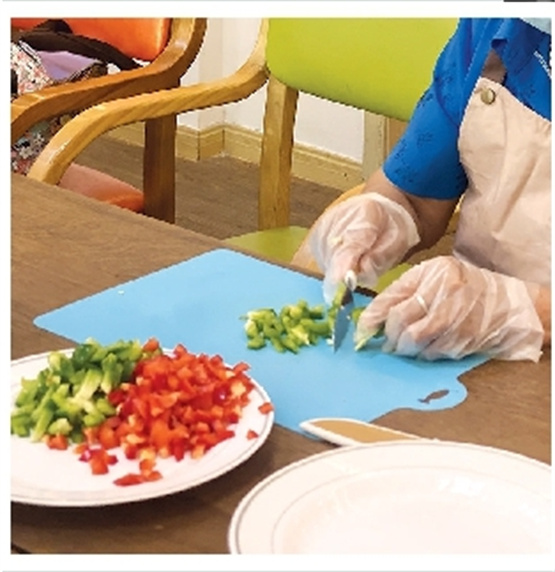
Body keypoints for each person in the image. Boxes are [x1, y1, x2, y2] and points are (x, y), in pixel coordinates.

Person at [296, 18, 551, 362]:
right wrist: (383, 216)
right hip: (462, 344)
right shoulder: (497, 26)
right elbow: (416, 196)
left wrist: (523, 310)